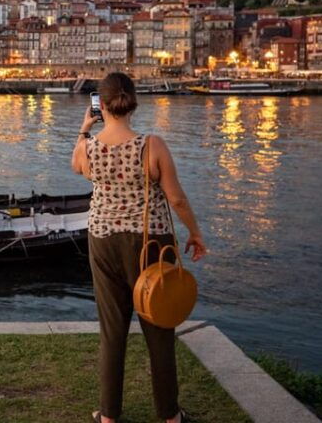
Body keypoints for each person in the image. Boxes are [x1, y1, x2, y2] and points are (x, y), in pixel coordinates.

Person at [71, 72, 207, 423]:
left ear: (101, 103)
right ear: (133, 100)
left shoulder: (90, 147)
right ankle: (169, 416)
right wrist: (195, 232)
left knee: (112, 331)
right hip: (149, 241)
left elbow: (77, 166)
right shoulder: (152, 145)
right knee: (159, 326)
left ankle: (109, 416)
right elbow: (175, 197)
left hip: (102, 240)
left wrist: (85, 129)